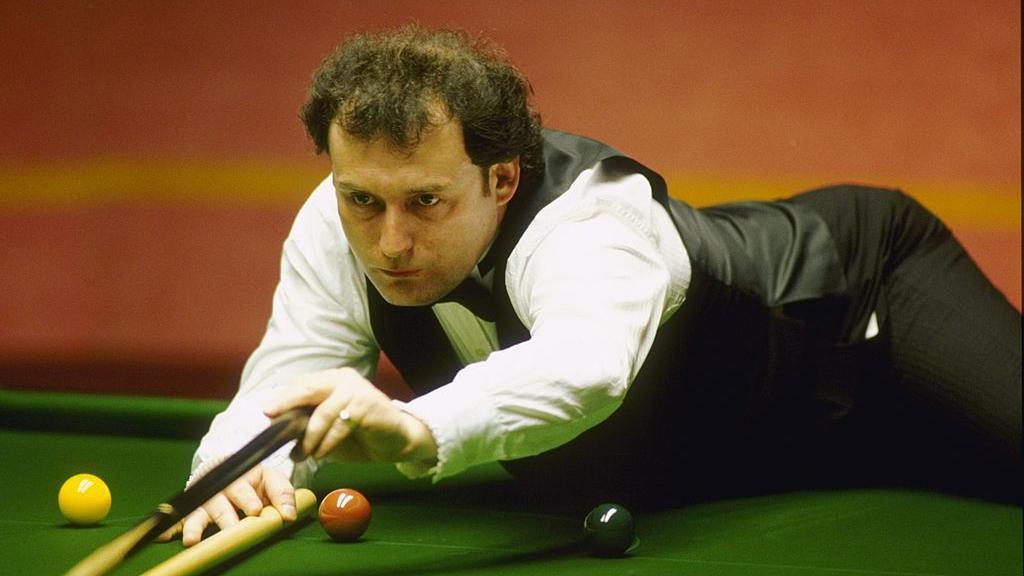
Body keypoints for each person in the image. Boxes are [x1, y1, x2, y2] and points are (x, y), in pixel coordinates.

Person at [160, 26, 1022, 546]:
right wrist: (235, 465)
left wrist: (416, 425)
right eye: (362, 199)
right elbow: (289, 378)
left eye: (426, 201)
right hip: (759, 427)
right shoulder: (337, 216)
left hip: (869, 299)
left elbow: (587, 366)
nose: (389, 241)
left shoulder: (592, 219)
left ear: (501, 178)